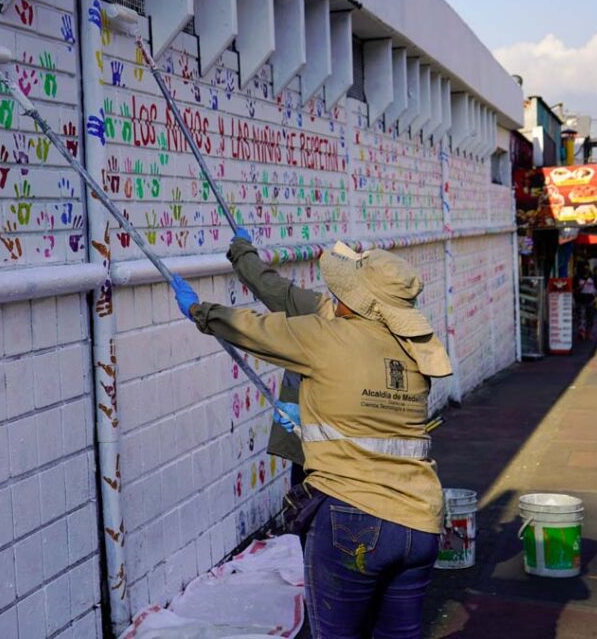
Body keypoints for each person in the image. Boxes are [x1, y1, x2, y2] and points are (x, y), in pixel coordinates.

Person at [170, 241, 453, 639]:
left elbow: (254, 328)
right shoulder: (414, 351)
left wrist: (201, 311)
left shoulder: (325, 336)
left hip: (353, 518)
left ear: (354, 301)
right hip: (420, 521)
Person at [226, 227, 335, 488]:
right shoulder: (395, 330)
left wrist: (242, 249)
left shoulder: (320, 312)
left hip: (319, 447)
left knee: (310, 508)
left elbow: (268, 286)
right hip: (355, 454)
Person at [575, 267, 597, 340]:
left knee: (589, 317)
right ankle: (582, 333)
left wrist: (594, 297)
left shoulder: (592, 278)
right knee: (581, 316)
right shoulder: (577, 278)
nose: (586, 272)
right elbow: (575, 289)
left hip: (589, 299)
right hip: (581, 299)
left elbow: (595, 288)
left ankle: (588, 333)